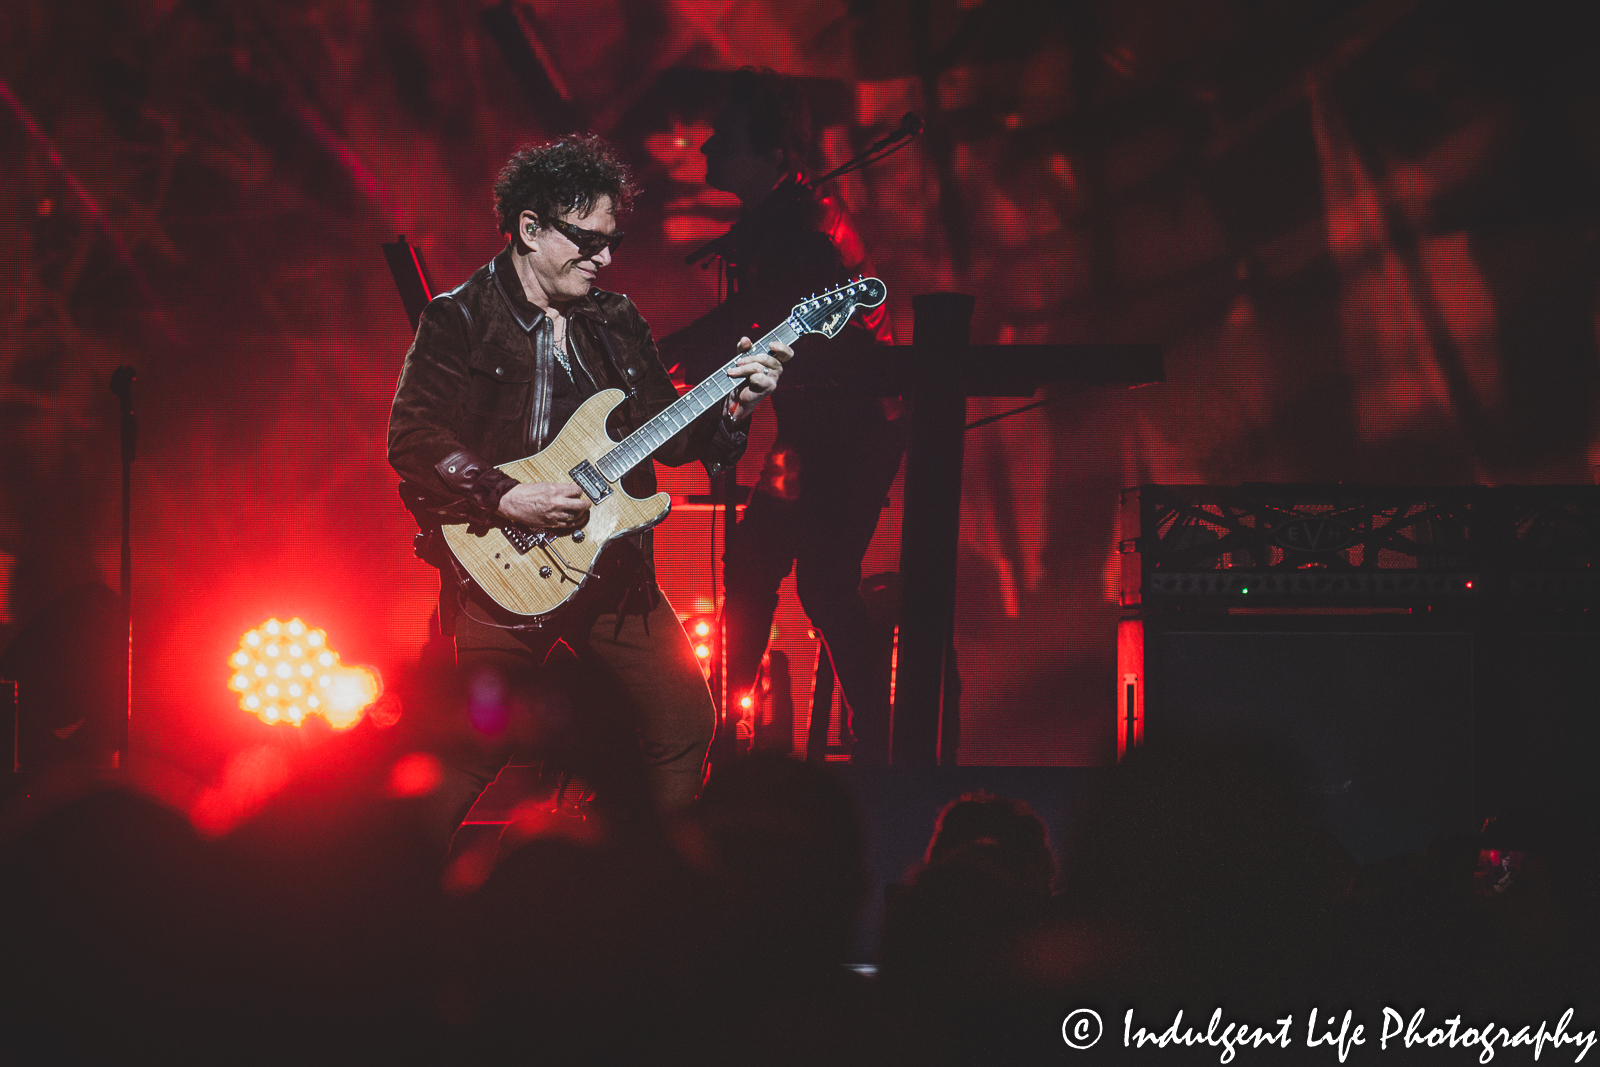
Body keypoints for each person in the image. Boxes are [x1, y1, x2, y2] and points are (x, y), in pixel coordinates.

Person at [388, 134, 785, 843]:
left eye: (613, 241)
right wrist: (506, 496)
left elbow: (680, 439)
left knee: (684, 722)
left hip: (611, 568)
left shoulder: (617, 321)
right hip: (502, 564)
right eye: (587, 240)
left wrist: (735, 406)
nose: (604, 258)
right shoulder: (460, 318)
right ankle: (391, 887)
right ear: (529, 228)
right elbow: (414, 438)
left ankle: (655, 892)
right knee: (474, 749)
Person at [659, 68, 903, 764]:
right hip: (813, 432)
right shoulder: (781, 224)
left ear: (771, 151)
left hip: (854, 432)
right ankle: (728, 737)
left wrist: (667, 354)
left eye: (723, 137)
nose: (705, 149)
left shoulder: (803, 232)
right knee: (755, 562)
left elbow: (759, 316)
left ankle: (881, 750)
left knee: (822, 580)